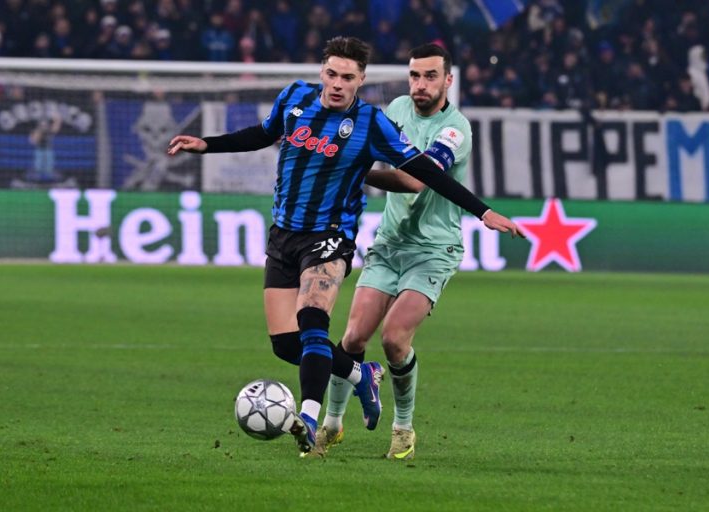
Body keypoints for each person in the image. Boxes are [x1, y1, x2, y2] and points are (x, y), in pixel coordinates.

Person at [167, 36, 523, 457]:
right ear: (322, 72)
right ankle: (360, 375)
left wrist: (481, 212)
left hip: (331, 235)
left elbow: (424, 173)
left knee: (316, 321)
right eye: (332, 74)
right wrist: (207, 144)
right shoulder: (295, 99)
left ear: (362, 80)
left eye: (348, 77)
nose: (337, 84)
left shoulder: (372, 123)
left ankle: (312, 421)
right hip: (284, 234)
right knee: (287, 345)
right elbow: (262, 134)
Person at [316, 43, 488, 460]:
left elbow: (414, 181)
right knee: (353, 337)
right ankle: (332, 425)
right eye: (414, 75)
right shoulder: (394, 110)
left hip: (433, 249)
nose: (420, 84)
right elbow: (356, 140)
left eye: (431, 76)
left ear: (448, 80)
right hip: (390, 243)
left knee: (394, 339)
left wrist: (353, 170)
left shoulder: (455, 129)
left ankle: (403, 428)